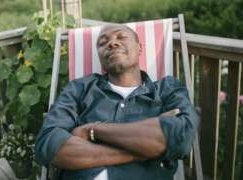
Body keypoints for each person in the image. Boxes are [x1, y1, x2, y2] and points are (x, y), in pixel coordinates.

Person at [35, 24, 199, 180]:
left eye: (121, 37)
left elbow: (181, 138)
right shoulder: (80, 89)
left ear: (139, 47)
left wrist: (92, 130)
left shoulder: (166, 90)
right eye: (103, 43)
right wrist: (146, 148)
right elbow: (49, 145)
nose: (112, 43)